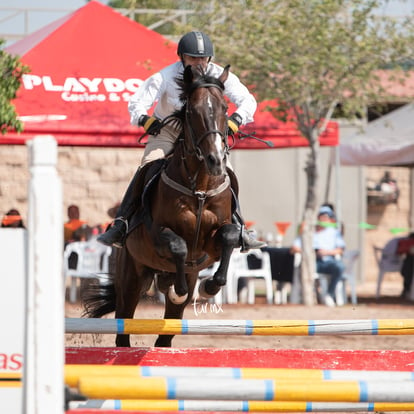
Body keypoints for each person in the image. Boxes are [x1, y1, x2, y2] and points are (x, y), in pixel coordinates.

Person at [98, 31, 265, 252]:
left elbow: (247, 101)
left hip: (204, 135)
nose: (198, 62)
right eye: (192, 58)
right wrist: (146, 120)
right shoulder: (164, 77)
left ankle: (240, 226)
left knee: (227, 172)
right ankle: (121, 223)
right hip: (167, 131)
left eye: (203, 58)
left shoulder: (219, 75)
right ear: (181, 57)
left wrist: (234, 121)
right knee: (147, 166)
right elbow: (136, 102)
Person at [291, 205, 346, 307]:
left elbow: (340, 250)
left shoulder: (334, 233)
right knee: (302, 268)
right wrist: (309, 253)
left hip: (328, 262)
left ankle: (329, 294)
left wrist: (327, 252)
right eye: (322, 216)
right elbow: (294, 248)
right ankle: (306, 296)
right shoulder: (309, 231)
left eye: (327, 217)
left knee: (339, 267)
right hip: (313, 262)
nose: (324, 219)